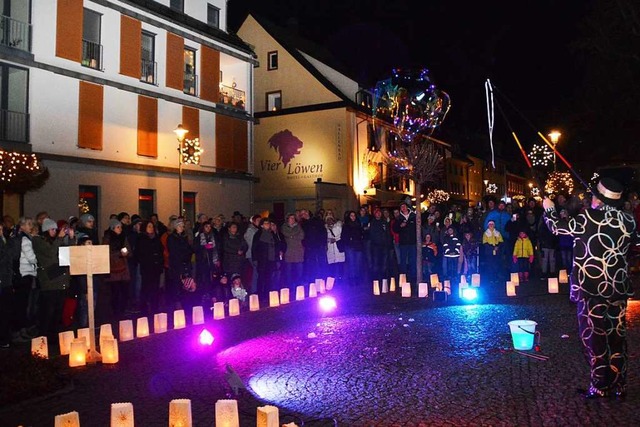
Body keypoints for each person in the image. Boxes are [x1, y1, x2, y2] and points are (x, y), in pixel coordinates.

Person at [543, 177, 636, 399]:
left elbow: (557, 228)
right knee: (616, 336)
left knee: (594, 337)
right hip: (618, 288)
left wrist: (549, 210)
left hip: (591, 289)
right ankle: (618, 383)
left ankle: (600, 385)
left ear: (598, 199)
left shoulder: (587, 219)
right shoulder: (629, 221)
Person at [393, 202, 418, 286]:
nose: (403, 208)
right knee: (403, 260)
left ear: (407, 207)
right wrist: (400, 226)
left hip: (412, 243)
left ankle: (413, 278)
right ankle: (403, 278)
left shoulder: (413, 216)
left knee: (412, 260)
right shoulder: (398, 218)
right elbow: (395, 229)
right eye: (401, 207)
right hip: (403, 243)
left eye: (404, 206)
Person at [281, 213, 304, 288]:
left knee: (299, 268)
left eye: (293, 218)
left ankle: (298, 283)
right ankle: (289, 285)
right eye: (291, 218)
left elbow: (302, 236)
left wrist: (292, 236)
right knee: (289, 269)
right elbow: (287, 234)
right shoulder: (284, 227)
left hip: (298, 250)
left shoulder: (298, 226)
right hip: (289, 250)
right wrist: (294, 234)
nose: (292, 219)